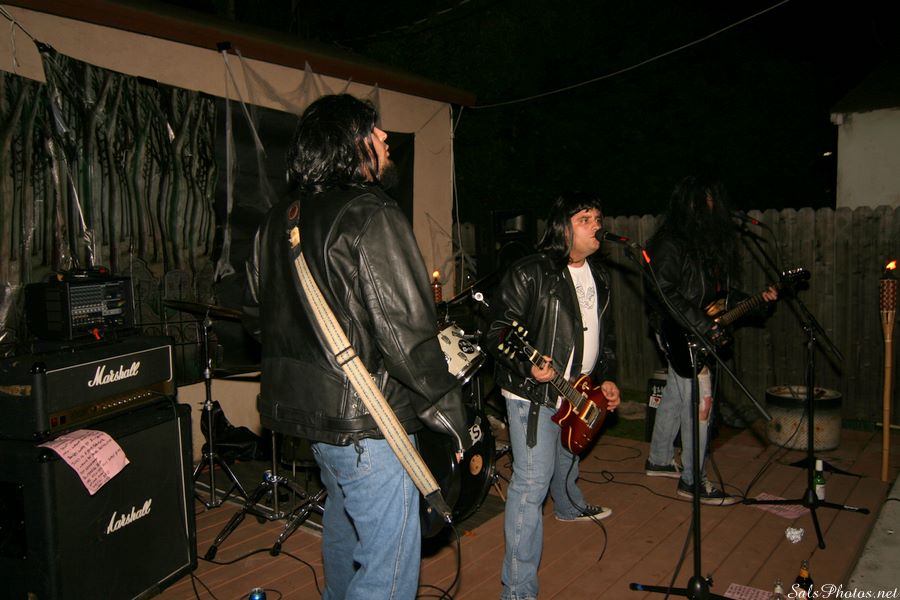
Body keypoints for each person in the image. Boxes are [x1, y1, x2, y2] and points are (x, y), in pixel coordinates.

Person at [245, 94, 472, 600]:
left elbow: (257, 323)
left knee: (345, 529)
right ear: (349, 142)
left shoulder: (276, 220)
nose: (385, 137)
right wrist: (453, 417)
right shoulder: (371, 212)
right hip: (371, 426)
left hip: (314, 424)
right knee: (387, 570)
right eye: (374, 129)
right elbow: (408, 340)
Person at [485, 192, 621, 600]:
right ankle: (518, 591)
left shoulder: (600, 276)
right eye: (585, 219)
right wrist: (526, 366)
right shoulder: (531, 272)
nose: (596, 226)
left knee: (568, 456)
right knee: (531, 485)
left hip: (579, 391)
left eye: (598, 218)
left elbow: (605, 339)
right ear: (563, 229)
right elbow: (497, 332)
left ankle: (567, 505)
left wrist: (606, 380)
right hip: (533, 395)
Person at [643, 175, 777, 505]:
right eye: (707, 200)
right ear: (691, 204)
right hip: (677, 330)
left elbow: (717, 296)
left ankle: (659, 459)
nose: (714, 206)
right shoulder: (670, 242)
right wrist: (703, 325)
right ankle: (693, 481)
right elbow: (664, 290)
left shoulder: (704, 243)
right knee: (699, 403)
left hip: (693, 326)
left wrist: (757, 302)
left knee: (676, 395)